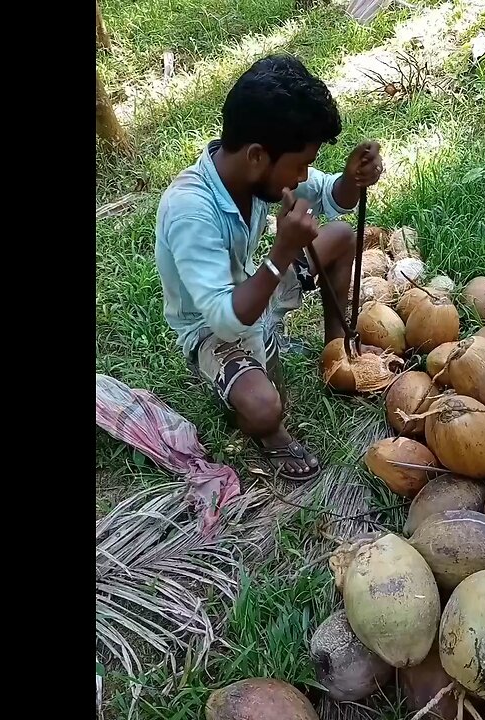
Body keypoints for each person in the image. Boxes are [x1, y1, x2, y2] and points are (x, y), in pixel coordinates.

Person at [155, 54, 384, 481]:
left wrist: (351, 180)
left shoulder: (255, 175)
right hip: (213, 325)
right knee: (264, 407)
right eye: (299, 165)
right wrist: (281, 254)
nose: (302, 177)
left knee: (338, 235)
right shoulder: (190, 211)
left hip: (255, 290)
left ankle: (336, 352)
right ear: (258, 155)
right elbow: (225, 318)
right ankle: (270, 435)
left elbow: (333, 198)